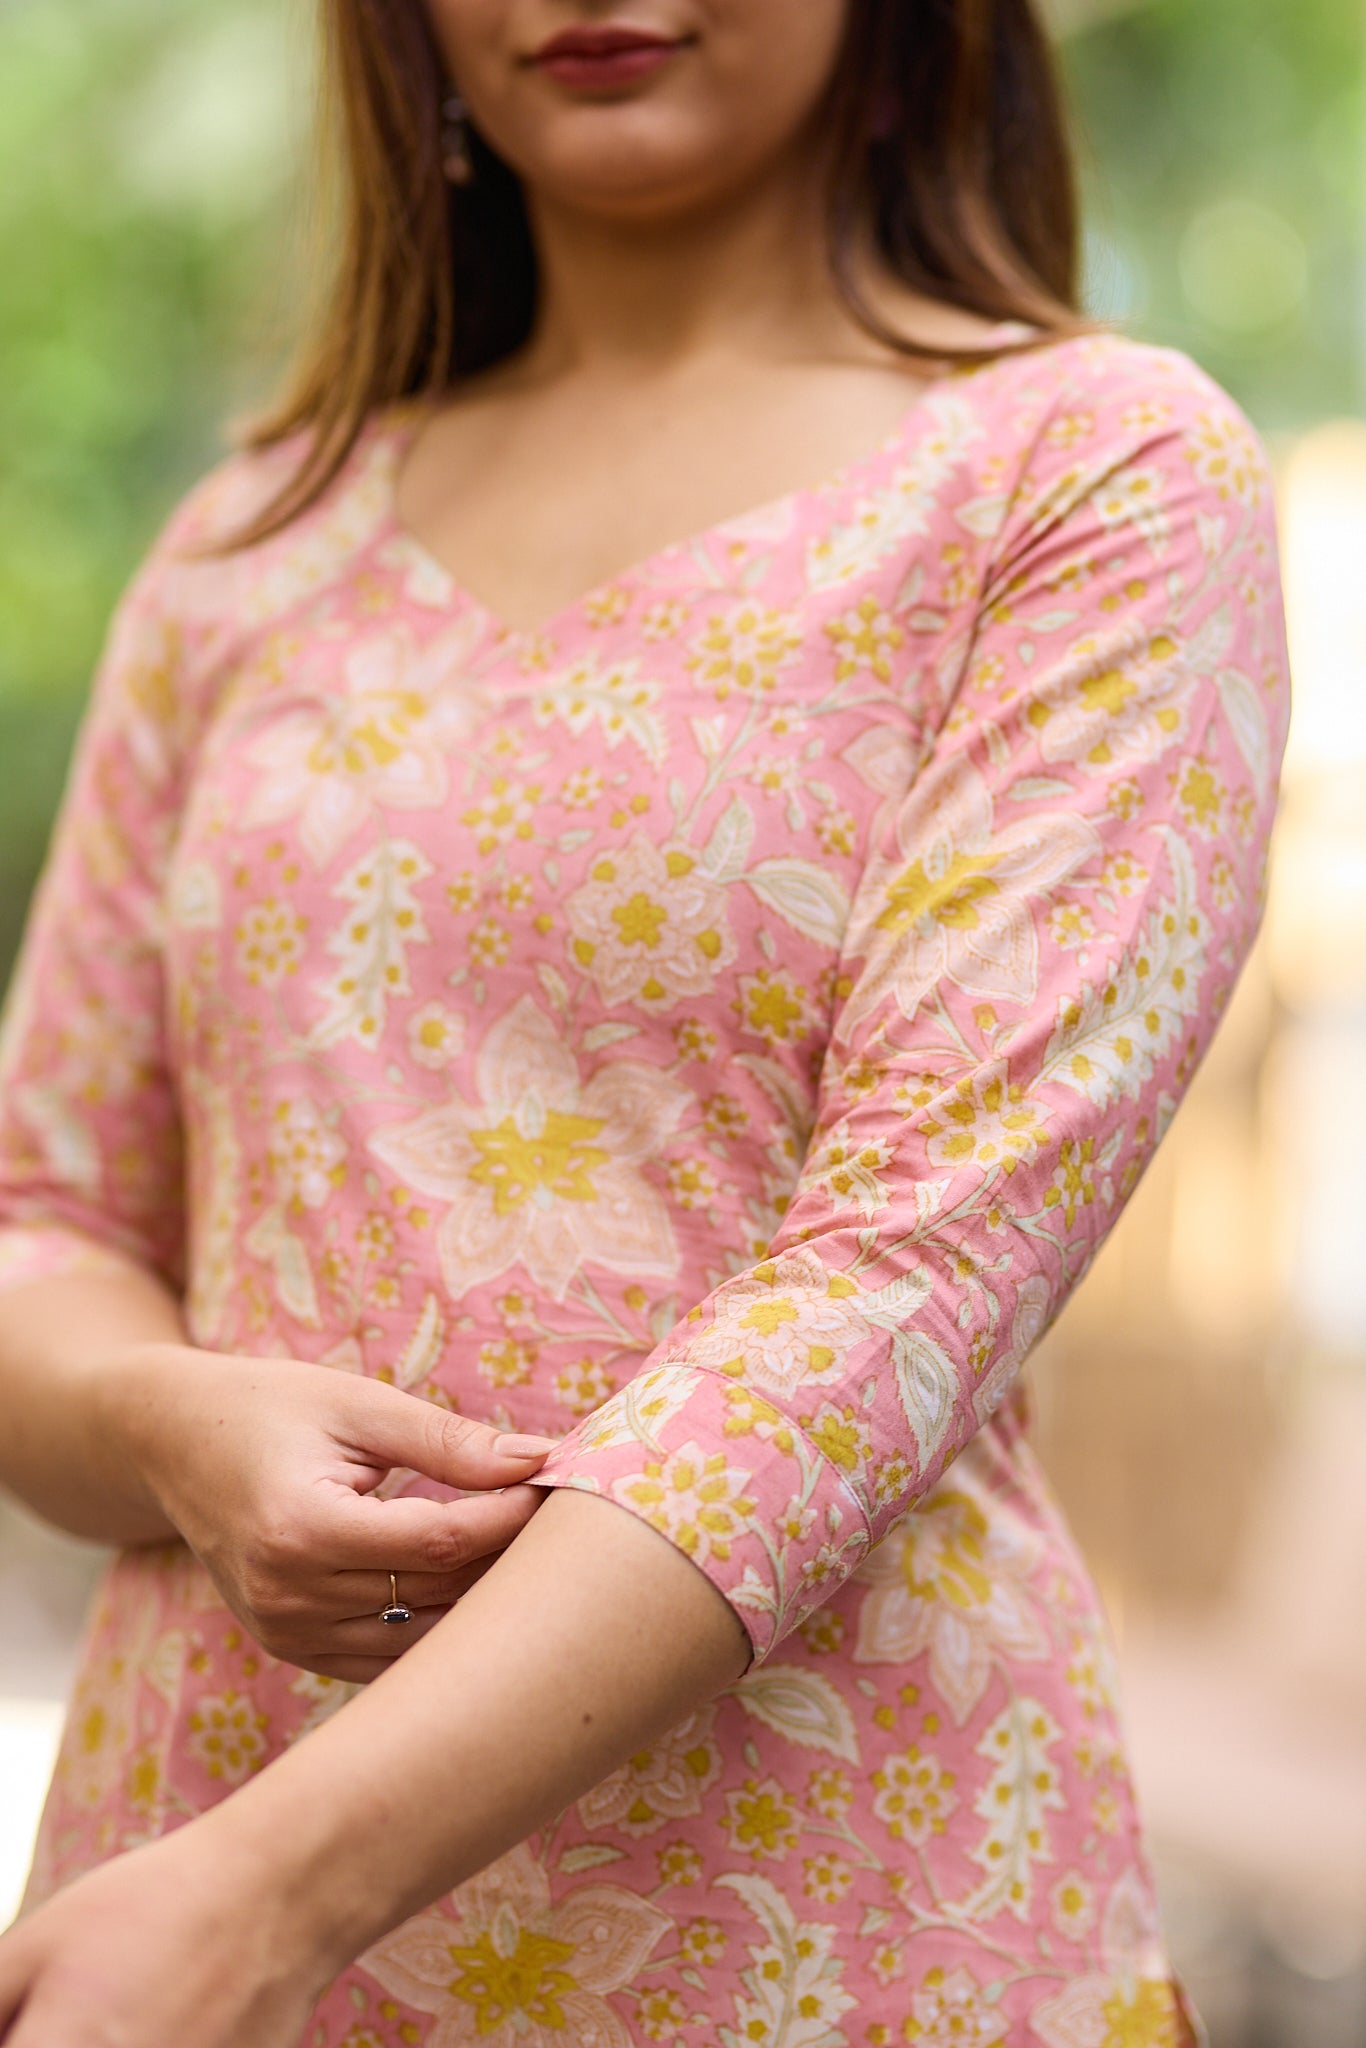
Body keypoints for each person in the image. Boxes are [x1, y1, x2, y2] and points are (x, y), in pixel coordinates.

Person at [0, 2, 1290, 2043]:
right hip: (182, 1876)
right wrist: (164, 1418)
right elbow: (43, 1215)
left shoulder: (1086, 479)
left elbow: (905, 1276)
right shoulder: (252, 547)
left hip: (820, 1908)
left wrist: (279, 1888)